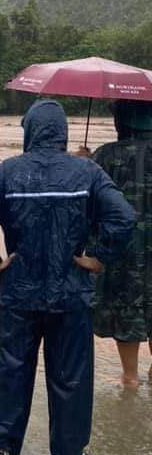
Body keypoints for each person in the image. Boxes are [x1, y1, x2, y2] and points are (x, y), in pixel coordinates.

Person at [0, 99, 136, 455]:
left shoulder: (9, 172)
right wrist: (99, 257)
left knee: (12, 370)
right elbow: (123, 217)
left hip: (19, 296)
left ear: (30, 131)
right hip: (71, 295)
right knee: (71, 378)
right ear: (62, 132)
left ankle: (3, 450)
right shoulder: (86, 173)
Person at [90, 99, 152, 387]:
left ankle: (130, 377)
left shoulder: (104, 157)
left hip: (122, 255)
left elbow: (86, 207)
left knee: (128, 309)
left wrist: (84, 160)